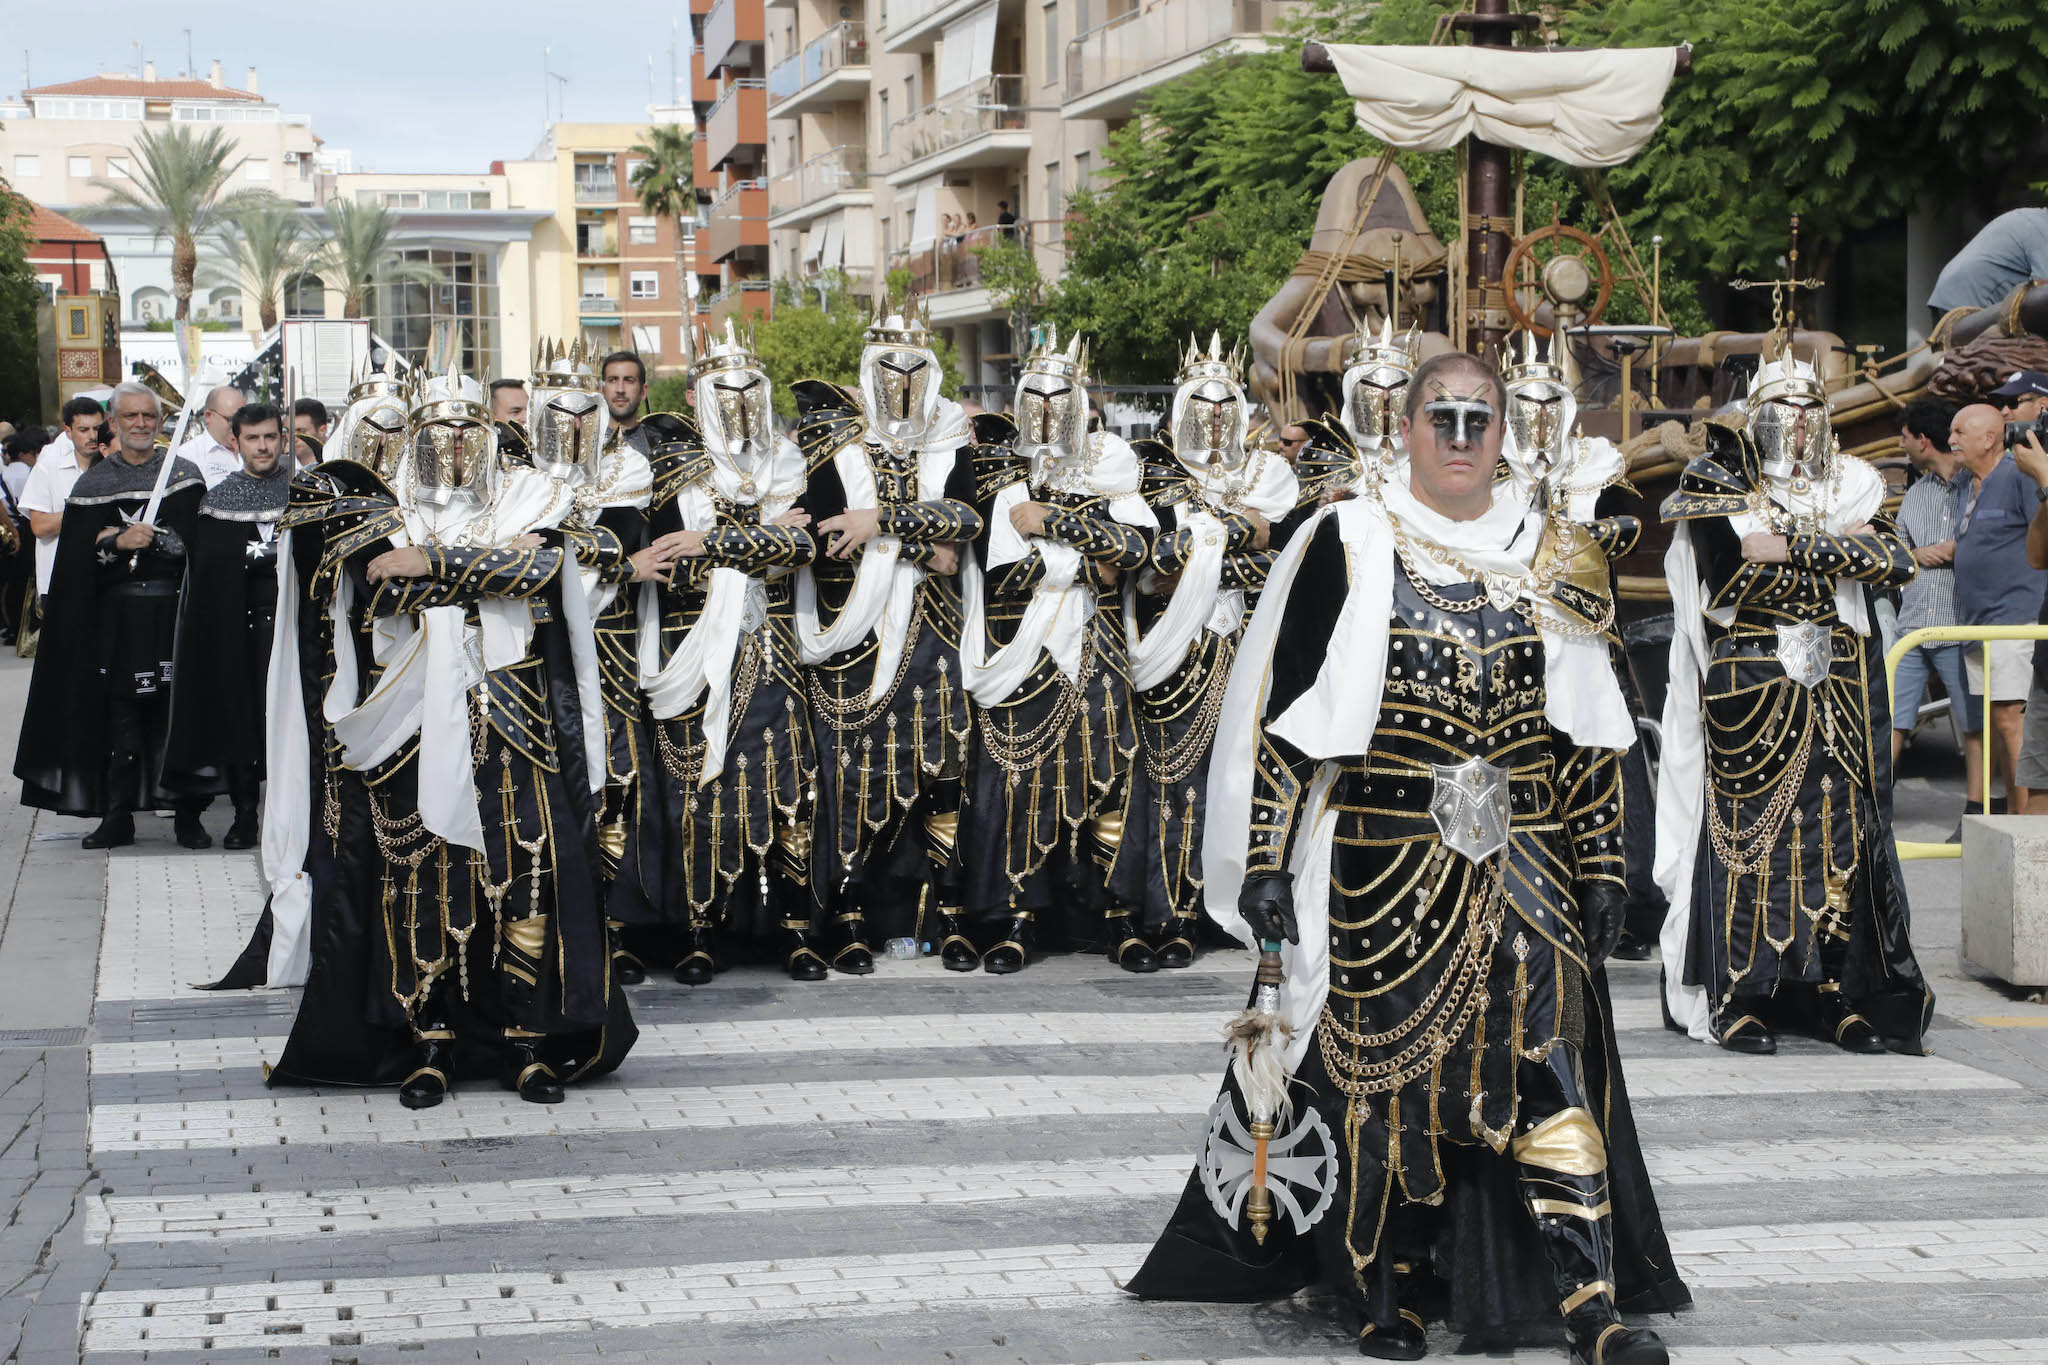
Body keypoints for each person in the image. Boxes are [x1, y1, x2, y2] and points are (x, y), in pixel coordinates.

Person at [1130, 349, 1684, 1364]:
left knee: (1553, 1069)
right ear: (1407, 429)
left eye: (1480, 418)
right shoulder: (1345, 536)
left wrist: (1604, 864)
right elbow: (1285, 714)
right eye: (1444, 418)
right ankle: (1390, 1288)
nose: (1462, 437)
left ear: (1505, 431)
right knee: (1391, 1081)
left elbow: (1592, 730)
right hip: (1384, 853)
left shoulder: (1558, 546)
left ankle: (1588, 1298)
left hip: (1528, 856)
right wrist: (1264, 858)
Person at [317, 364, 636, 1107]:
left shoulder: (534, 493)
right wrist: (488, 568)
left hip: (515, 716)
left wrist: (435, 562)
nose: (457, 442)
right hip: (410, 721)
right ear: (417, 436)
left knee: (528, 875)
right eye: (439, 429)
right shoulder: (380, 502)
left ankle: (524, 1044)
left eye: (471, 427)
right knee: (421, 876)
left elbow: (545, 566)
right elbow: (382, 587)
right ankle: (431, 1043)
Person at [1659, 352, 1932, 1058]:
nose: (1803, 425)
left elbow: (1896, 562)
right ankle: (1739, 993)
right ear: (1760, 418)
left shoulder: (1853, 485)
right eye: (1787, 411)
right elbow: (1735, 569)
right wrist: (1839, 548)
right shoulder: (1720, 480)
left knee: (1837, 836)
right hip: (1751, 687)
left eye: (1814, 410)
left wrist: (1793, 544)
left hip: (1837, 682)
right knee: (1749, 836)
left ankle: (1827, 990)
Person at [790, 294, 983, 973]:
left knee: (944, 772)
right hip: (855, 634)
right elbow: (824, 534)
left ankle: (949, 912)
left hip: (936, 632)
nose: (902, 384)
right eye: (890, 369)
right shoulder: (831, 437)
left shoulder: (948, 433)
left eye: (915, 370)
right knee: (851, 776)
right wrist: (912, 537)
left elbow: (963, 521)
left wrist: (881, 523)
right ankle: (846, 916)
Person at [956, 328, 1158, 973]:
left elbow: (1134, 555)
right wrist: (1087, 551)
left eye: (1059, 395)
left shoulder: (1111, 460)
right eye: (1034, 395)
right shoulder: (995, 468)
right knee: (1022, 784)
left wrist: (1055, 525)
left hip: (1098, 645)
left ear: (1084, 400)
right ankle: (1018, 917)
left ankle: (1115, 917)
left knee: (1111, 778)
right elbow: (1001, 575)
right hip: (1020, 644)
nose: (1046, 408)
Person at [638, 320, 824, 982]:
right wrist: (763, 538)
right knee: (700, 792)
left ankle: (796, 930)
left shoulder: (785, 462)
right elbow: (670, 564)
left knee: (791, 794)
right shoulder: (671, 468)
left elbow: (804, 548)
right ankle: (698, 930)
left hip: (774, 651)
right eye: (724, 390)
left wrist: (716, 542)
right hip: (697, 652)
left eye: (750, 390)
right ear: (699, 395)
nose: (739, 404)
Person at [1129, 333, 1293, 966]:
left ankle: (1246, 913)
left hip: (1252, 650)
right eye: (1203, 403)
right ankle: (1168, 914)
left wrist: (1211, 548)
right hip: (1179, 654)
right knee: (1174, 782)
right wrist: (1236, 538)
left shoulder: (1270, 474)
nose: (1217, 418)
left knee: (1250, 782)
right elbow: (1151, 565)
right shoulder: (1152, 472)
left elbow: (1282, 554)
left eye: (1229, 404)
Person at [15, 382, 212, 849]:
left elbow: (202, 552)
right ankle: (118, 816)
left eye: (149, 416)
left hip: (173, 618)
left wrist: (164, 542)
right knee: (120, 721)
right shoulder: (95, 483)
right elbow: (75, 562)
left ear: (160, 422)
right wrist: (115, 542)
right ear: (115, 423)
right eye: (131, 417)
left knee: (175, 715)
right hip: (116, 622)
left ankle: (188, 816)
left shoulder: (185, 475)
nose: (141, 424)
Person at [526, 338, 667, 986]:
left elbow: (616, 548)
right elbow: (531, 553)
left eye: (578, 413)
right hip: (532, 649)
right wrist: (609, 560)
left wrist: (608, 560)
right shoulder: (518, 479)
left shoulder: (625, 468)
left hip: (607, 648)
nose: (571, 426)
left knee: (618, 780)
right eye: (558, 414)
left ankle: (619, 929)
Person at [161, 402, 293, 851]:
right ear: (236, 442)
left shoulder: (307, 492)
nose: (263, 446)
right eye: (253, 438)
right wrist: (259, 557)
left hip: (297, 628)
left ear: (283, 438)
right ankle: (245, 817)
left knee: (296, 722)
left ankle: (299, 818)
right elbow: (211, 571)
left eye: (270, 437)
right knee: (243, 719)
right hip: (240, 630)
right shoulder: (218, 500)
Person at [1952, 402, 2048, 814]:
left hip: (2016, 620)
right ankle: (2012, 819)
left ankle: (2023, 826)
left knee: (2012, 723)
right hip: (1982, 625)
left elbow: (2041, 542)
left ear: (1989, 438)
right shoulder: (1968, 483)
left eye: (1959, 431)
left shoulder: (2021, 475)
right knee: (2000, 725)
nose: (1950, 439)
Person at [1889, 399, 1980, 822]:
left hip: (1959, 628)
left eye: (1905, 437)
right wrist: (1917, 554)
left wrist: (1956, 550)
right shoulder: (1916, 494)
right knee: (1893, 719)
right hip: (1912, 627)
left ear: (1923, 440)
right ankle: (1875, 810)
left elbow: (1993, 539)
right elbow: (1899, 553)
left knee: (1972, 723)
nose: (1902, 445)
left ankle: (1977, 812)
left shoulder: (1977, 485)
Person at [1927, 209, 2048, 320]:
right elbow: (2043, 292)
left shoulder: (2031, 218)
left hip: (1949, 297)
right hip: (1968, 303)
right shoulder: (2043, 228)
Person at [177, 385, 248, 489]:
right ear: (208, 416)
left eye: (244, 418)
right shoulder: (188, 454)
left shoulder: (254, 447)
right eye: (231, 419)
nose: (239, 425)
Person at [600, 351, 649, 455]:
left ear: (643, 392)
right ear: (602, 391)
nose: (620, 389)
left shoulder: (656, 445)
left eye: (629, 380)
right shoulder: (587, 444)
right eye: (612, 380)